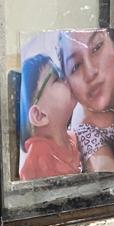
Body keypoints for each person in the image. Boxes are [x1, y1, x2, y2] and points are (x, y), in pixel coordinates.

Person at [59, 29, 114, 174]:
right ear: (68, 84)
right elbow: (106, 177)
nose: (90, 72)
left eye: (97, 47)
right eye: (75, 66)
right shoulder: (85, 130)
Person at [18, 53, 81, 181]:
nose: (67, 79)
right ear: (39, 115)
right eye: (57, 78)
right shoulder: (37, 157)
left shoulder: (75, 139)